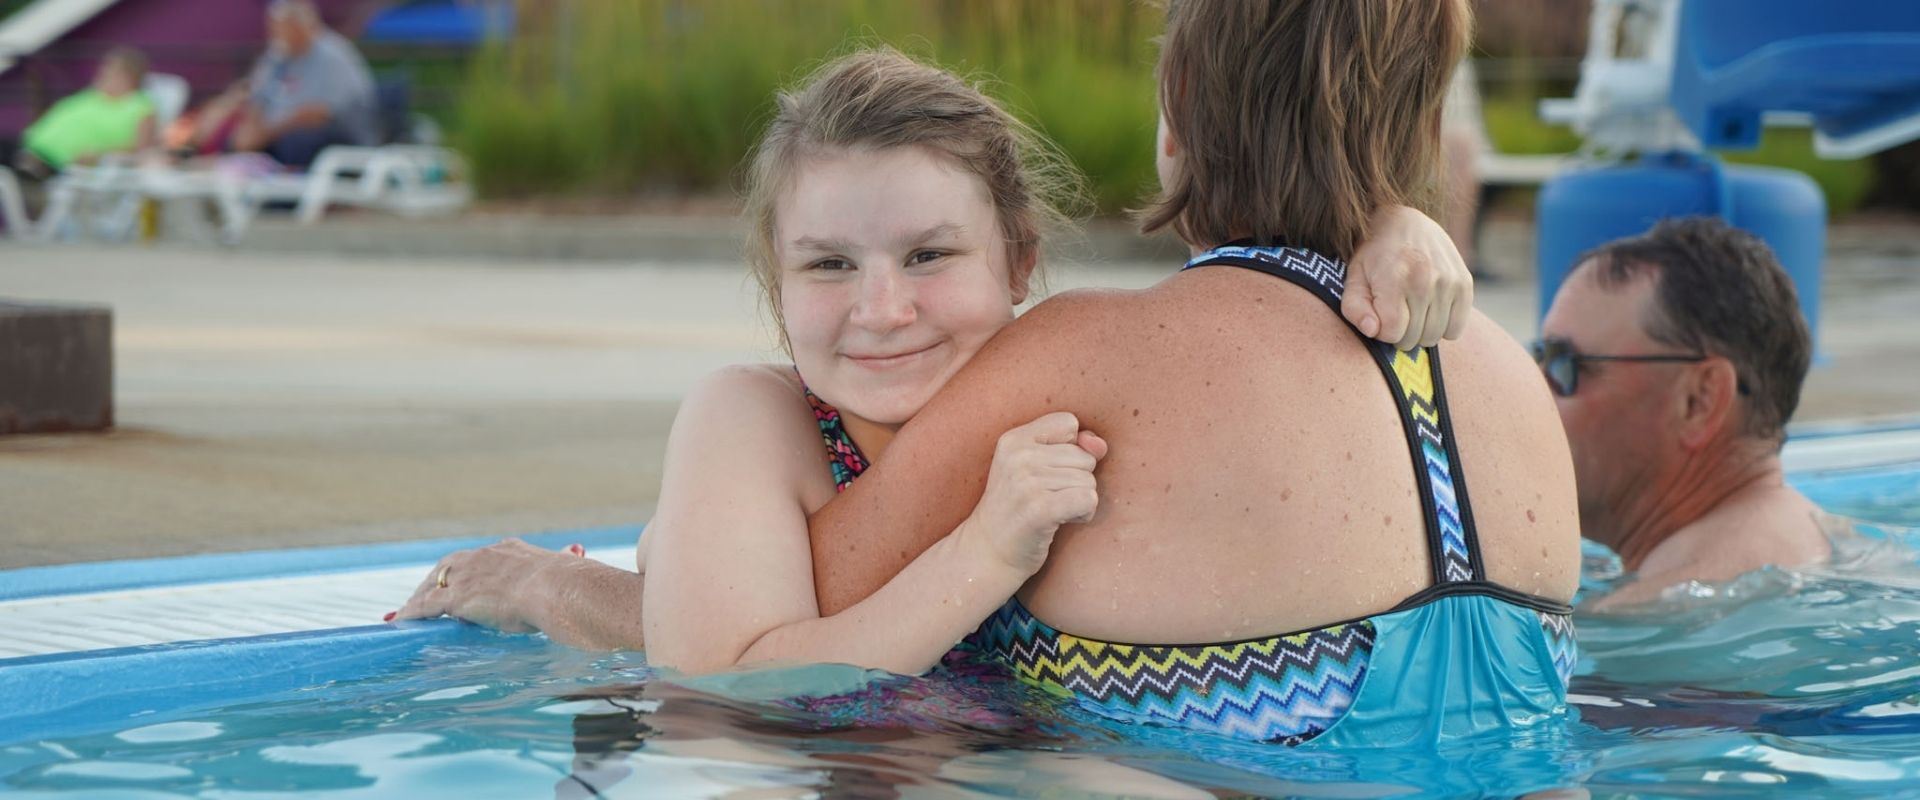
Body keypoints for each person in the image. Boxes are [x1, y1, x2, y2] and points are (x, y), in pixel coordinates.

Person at [392, 49, 1476, 664]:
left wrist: (1386, 228)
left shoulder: (1074, 379)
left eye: (928, 254)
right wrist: (991, 550)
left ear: (1020, 262)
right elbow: (729, 693)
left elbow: (1229, 327)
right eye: (826, 266)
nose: (883, 308)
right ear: (777, 291)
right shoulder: (752, 420)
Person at [802, 0, 1581, 748]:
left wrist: (755, 407)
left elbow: (802, 624)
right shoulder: (1511, 376)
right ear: (1430, 115)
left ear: (1176, 98)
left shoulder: (1082, 355)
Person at [1536, 217, 1825, 608]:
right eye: (1537, 359)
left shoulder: (1658, 612)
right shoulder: (1818, 538)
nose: (1532, 388)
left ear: (1698, 401)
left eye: (1564, 365)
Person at [186, 0, 379, 167]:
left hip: (330, 133)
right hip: (278, 130)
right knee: (234, 137)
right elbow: (257, 95)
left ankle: (289, 197)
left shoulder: (332, 56)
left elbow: (319, 114)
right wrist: (251, 127)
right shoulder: (278, 55)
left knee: (296, 142)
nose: (275, 34)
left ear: (299, 26)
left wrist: (267, 132)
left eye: (280, 28)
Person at [12, 47, 156, 180]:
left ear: (130, 77)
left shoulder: (139, 106)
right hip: (26, 147)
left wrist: (100, 155)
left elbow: (141, 151)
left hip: (56, 167)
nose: (103, 73)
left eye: (111, 69)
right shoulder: (93, 95)